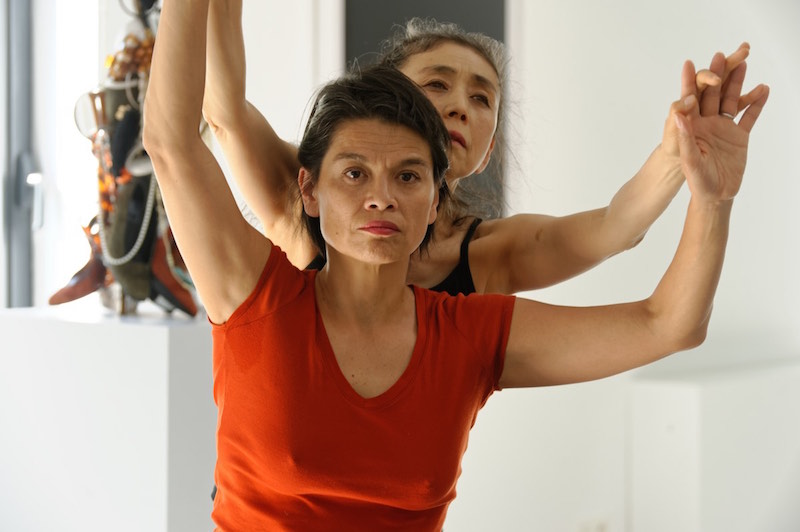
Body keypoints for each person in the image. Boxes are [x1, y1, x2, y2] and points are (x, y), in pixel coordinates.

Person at [144, 2, 767, 529]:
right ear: (311, 188)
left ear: (439, 189)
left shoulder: (476, 305)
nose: (380, 195)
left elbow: (661, 310)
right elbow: (188, 130)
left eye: (409, 175)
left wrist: (706, 190)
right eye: (434, 86)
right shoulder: (263, 283)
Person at [202, 0, 754, 296]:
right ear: (382, 96)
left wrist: (678, 153)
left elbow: (615, 226)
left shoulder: (490, 253)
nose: (461, 105)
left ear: (486, 153)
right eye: (437, 84)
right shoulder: (310, 195)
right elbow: (223, 113)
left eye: (482, 97)